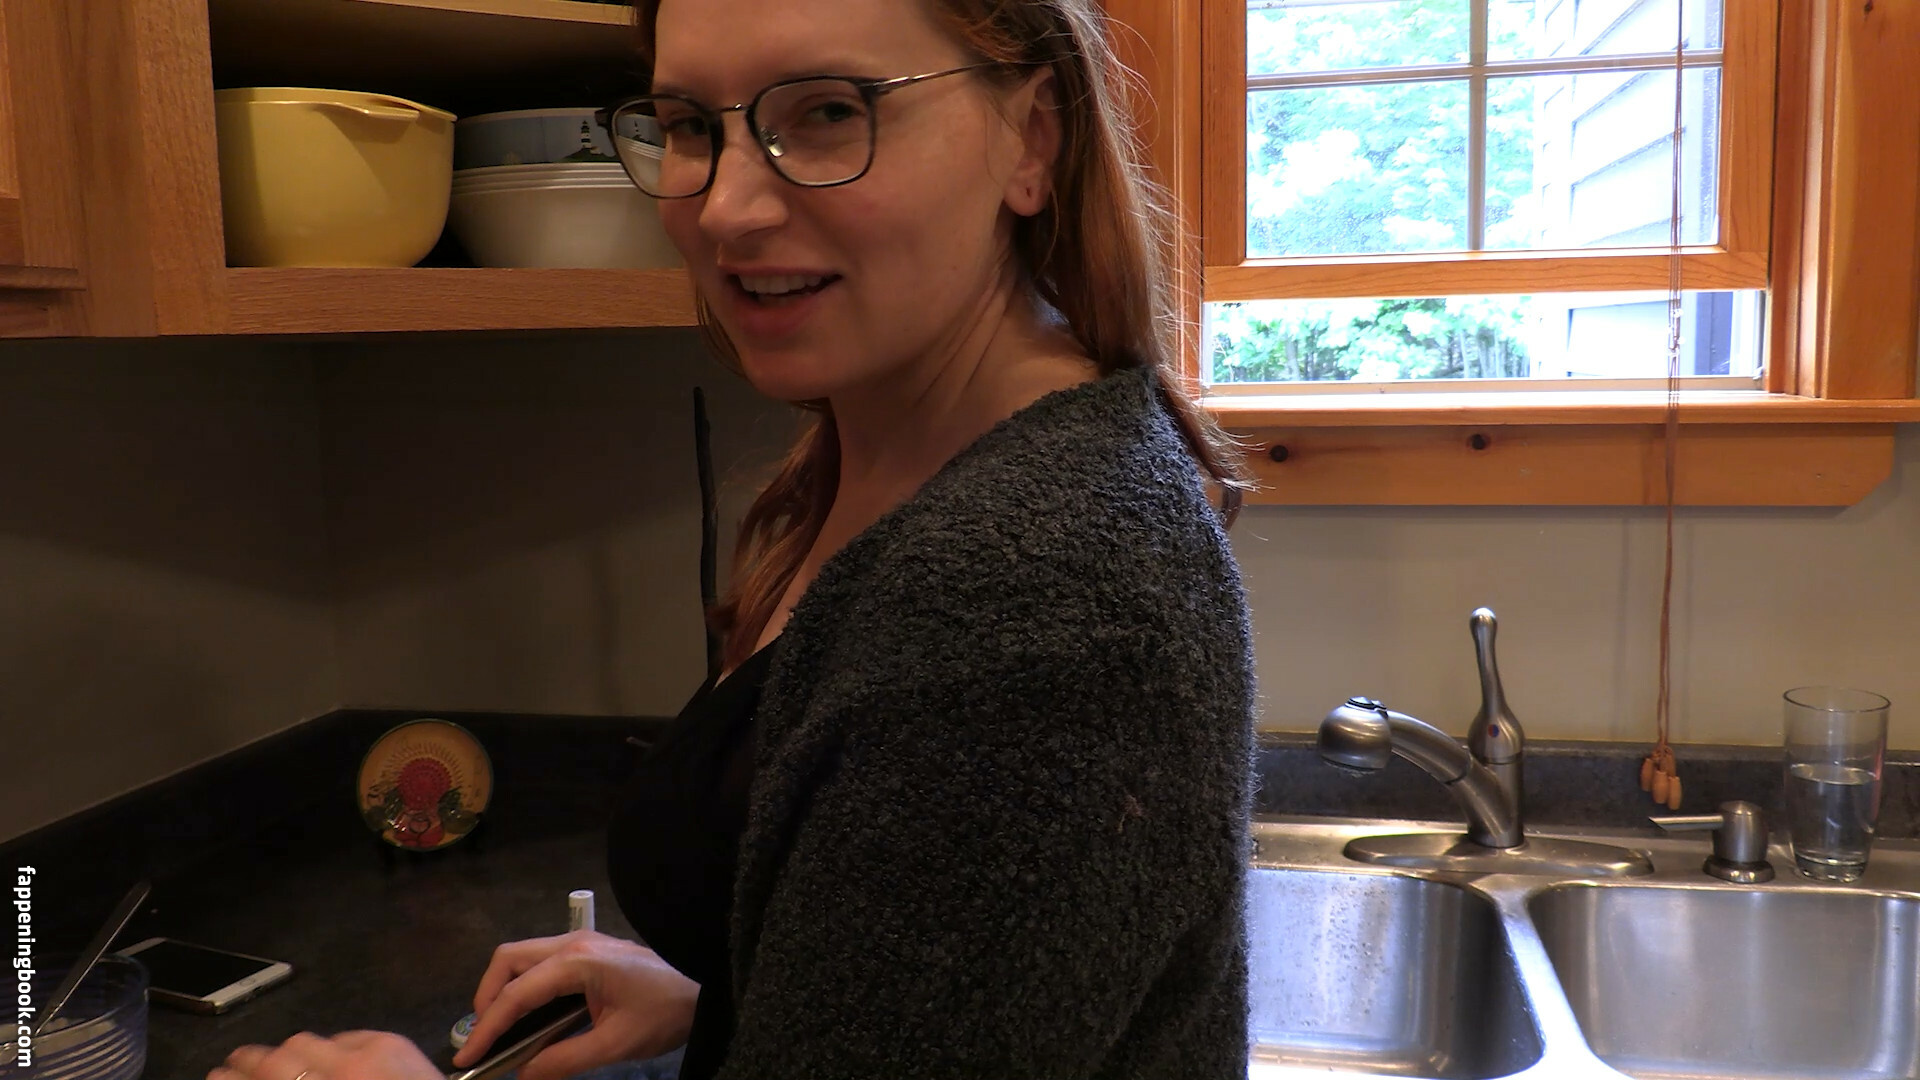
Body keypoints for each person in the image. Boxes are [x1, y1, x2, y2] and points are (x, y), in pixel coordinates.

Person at [209, 0, 1255, 1077]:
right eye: (689, 127)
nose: (725, 208)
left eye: (830, 112)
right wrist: (749, 992)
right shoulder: (903, 460)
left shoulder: (1032, 598)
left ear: (1031, 139)